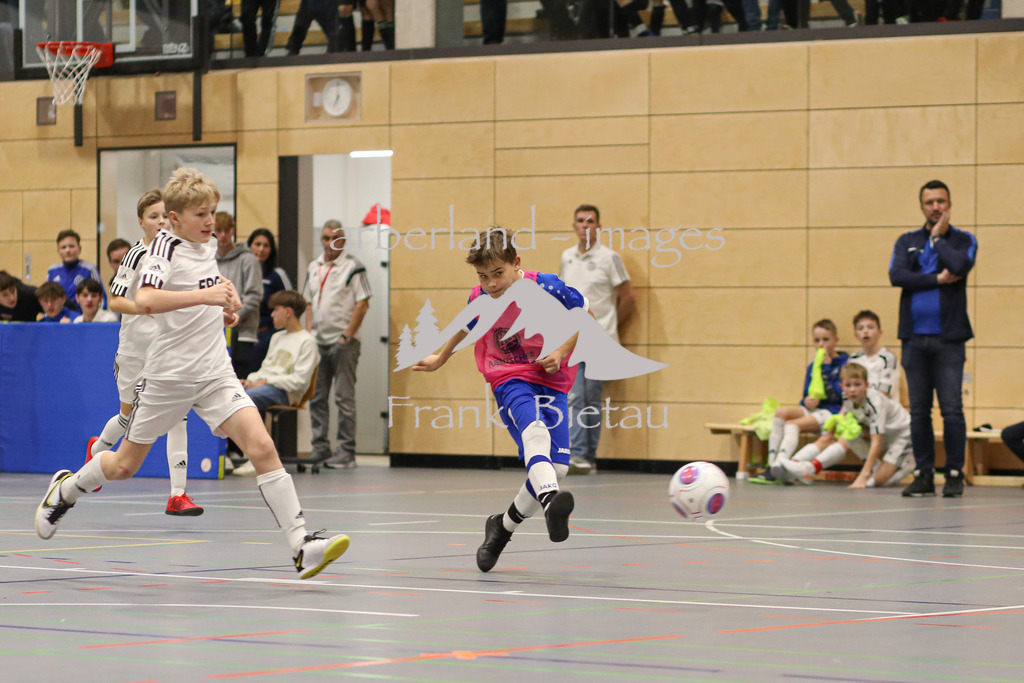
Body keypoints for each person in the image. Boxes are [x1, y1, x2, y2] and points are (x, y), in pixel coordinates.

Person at [35, 167, 350, 580]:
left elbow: (205, 281)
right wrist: (206, 294)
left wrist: (225, 300)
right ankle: (67, 489)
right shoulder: (161, 248)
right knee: (124, 465)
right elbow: (144, 298)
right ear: (175, 217)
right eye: (202, 214)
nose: (211, 222)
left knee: (261, 447)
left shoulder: (206, 243)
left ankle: (301, 545)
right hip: (168, 375)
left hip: (215, 369)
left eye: (213, 213)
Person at [412, 227, 581, 572]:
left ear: (516, 263)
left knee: (558, 467)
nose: (491, 283)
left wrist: (562, 351)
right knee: (534, 430)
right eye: (483, 276)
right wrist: (440, 358)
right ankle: (550, 501)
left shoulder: (547, 286)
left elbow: (582, 318)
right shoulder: (481, 298)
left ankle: (501, 529)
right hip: (508, 376)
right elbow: (465, 325)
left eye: (498, 273)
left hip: (552, 379)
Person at [87, 190, 203, 515]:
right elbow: (115, 300)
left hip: (167, 352)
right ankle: (96, 450)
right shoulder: (136, 254)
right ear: (142, 222)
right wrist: (148, 309)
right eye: (154, 217)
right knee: (129, 419)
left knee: (178, 418)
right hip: (134, 352)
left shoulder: (179, 255)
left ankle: (177, 494)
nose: (161, 222)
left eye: (165, 216)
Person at [890, 180, 976, 499]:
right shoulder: (906, 240)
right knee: (919, 411)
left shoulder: (963, 239)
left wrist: (938, 239)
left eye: (941, 202)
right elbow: (897, 276)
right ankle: (924, 474)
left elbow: (960, 265)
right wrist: (936, 279)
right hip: (914, 339)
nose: (935, 207)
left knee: (952, 408)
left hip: (949, 339)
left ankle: (954, 473)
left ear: (949, 205)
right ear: (921, 206)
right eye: (929, 202)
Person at [559, 204, 635, 474]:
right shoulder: (566, 257)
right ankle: (584, 457)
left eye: (590, 221)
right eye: (580, 221)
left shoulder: (609, 258)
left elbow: (627, 298)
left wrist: (608, 328)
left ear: (598, 226)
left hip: (598, 340)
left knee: (585, 397)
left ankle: (582, 455)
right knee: (578, 397)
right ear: (574, 226)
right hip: (572, 339)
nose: (584, 225)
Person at [301, 220, 371, 470]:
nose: (330, 243)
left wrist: (347, 336)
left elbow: (363, 303)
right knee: (317, 397)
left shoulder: (354, 267)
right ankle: (320, 447)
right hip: (318, 342)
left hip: (344, 343)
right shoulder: (313, 266)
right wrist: (308, 334)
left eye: (335, 238)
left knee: (343, 397)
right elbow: (308, 303)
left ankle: (346, 451)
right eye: (325, 238)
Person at [778, 363, 916, 488]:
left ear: (867, 385)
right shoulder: (847, 399)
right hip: (883, 432)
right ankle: (808, 467)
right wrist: (828, 435)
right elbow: (841, 426)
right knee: (849, 435)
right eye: (848, 385)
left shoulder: (875, 404)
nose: (852, 390)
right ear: (841, 387)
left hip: (902, 434)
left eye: (857, 384)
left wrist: (863, 476)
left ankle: (909, 463)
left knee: (879, 481)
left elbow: (876, 442)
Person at [232, 290, 321, 476]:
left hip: (286, 392)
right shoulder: (277, 337)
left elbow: (299, 381)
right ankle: (230, 454)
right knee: (229, 394)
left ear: (288, 312)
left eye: (276, 310)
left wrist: (265, 381)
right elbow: (266, 368)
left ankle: (256, 457)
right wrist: (252, 379)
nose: (271, 315)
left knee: (248, 399)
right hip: (266, 385)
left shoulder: (307, 342)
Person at [750, 319, 848, 484]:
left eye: (826, 340)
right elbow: (805, 394)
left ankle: (782, 464)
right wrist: (807, 401)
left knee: (792, 425)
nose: (821, 344)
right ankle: (772, 464)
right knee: (781, 413)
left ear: (835, 341)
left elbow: (843, 394)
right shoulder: (812, 366)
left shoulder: (844, 364)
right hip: (814, 409)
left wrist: (827, 369)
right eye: (817, 341)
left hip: (831, 411)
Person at [214, 212, 264, 380]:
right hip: (215, 331)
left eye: (226, 230)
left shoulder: (248, 259)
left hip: (243, 333)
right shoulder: (208, 260)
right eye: (218, 230)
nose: (222, 235)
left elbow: (254, 296)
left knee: (240, 381)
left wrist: (233, 316)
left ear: (233, 231)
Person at [247, 228, 293, 371]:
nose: (261, 249)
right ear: (250, 246)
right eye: (257, 244)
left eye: (266, 245)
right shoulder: (242, 272)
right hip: (243, 333)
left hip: (267, 334)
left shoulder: (276, 275)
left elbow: (291, 302)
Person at [47, 228, 105, 313]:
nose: (67, 250)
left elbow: (102, 299)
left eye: (71, 246)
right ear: (58, 251)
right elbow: (47, 298)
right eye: (63, 247)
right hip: (59, 320)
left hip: (83, 321)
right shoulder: (52, 271)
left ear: (79, 248)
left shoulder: (89, 269)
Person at [847, 310, 900, 400]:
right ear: (856, 335)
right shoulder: (853, 359)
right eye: (860, 328)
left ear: (880, 333)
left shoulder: (888, 358)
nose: (865, 331)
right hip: (860, 410)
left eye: (870, 327)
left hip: (884, 410)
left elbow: (884, 394)